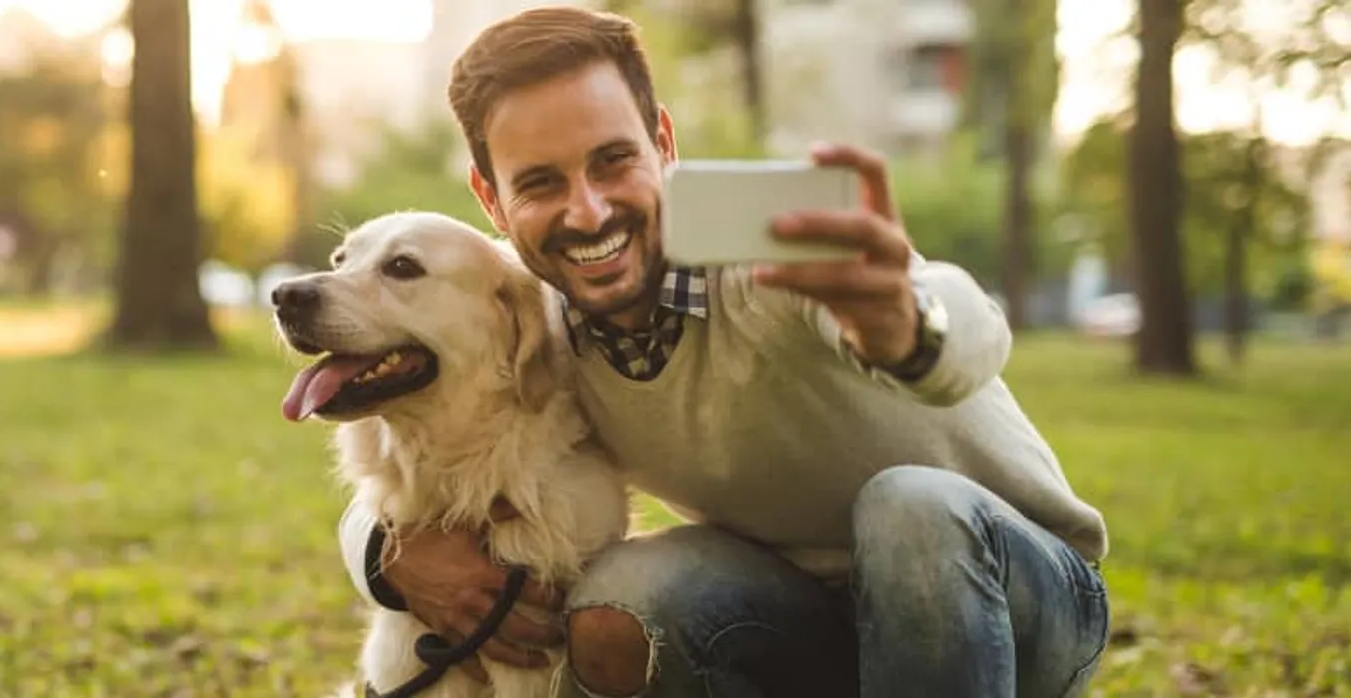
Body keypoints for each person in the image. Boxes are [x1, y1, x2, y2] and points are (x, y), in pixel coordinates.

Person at [332, 6, 1112, 698]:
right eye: (540, 183)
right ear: (490, 198)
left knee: (910, 506)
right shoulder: (530, 324)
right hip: (796, 613)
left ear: (662, 142)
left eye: (613, 160)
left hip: (1018, 599)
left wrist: (912, 327)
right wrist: (384, 553)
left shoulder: (773, 257)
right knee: (623, 595)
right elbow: (421, 458)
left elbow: (971, 321)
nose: (588, 210)